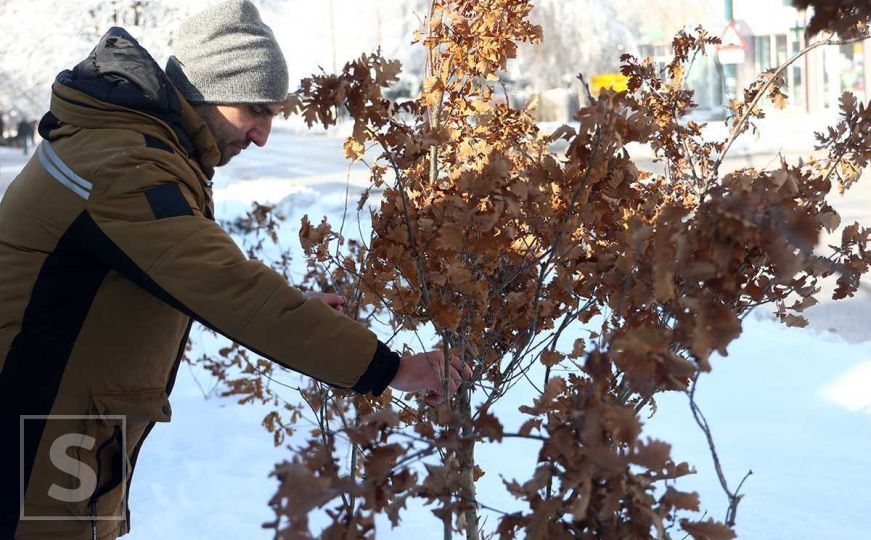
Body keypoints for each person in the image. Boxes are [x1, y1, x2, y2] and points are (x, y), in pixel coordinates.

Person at [0, 2, 468, 538]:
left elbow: (182, 277)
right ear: (206, 91)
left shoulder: (142, 149)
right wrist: (393, 369)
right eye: (256, 110)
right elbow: (227, 287)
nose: (264, 134)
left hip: (58, 427)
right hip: (31, 428)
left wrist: (297, 311)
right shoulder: (124, 164)